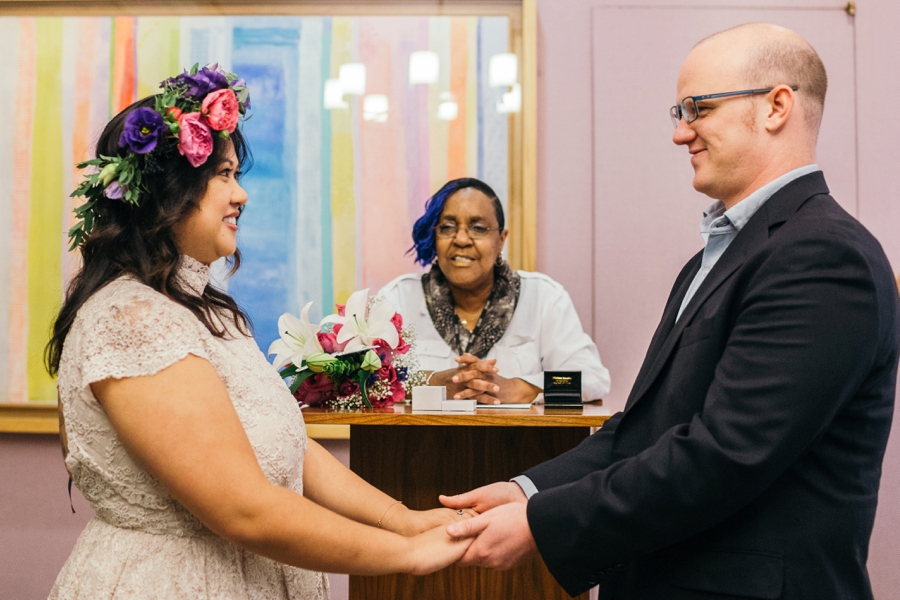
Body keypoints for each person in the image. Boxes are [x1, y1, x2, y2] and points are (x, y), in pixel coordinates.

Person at [440, 23, 900, 599]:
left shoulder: (823, 255)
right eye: (677, 112)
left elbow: (725, 452)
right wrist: (529, 489)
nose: (681, 133)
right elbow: (645, 429)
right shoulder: (716, 256)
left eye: (697, 108)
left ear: (776, 107)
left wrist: (541, 514)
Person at [45, 66, 471, 599]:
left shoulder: (205, 310)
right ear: (166, 192)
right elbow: (244, 509)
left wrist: (403, 520)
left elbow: (288, 446)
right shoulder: (131, 317)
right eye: (222, 174)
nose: (241, 194)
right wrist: (408, 556)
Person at [379, 177, 610, 404]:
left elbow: (590, 378)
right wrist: (429, 383)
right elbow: (363, 377)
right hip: (419, 442)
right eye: (447, 227)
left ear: (501, 239)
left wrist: (524, 388)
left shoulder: (544, 298)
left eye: (478, 228)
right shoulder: (398, 298)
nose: (461, 239)